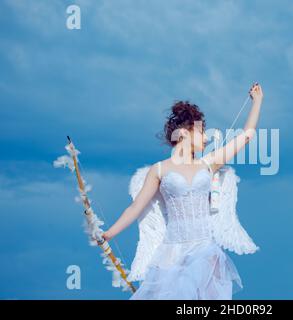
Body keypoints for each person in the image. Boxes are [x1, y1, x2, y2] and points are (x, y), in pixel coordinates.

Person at [102, 82, 263, 299]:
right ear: (185, 133)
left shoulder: (208, 163)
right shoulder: (159, 169)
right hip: (172, 254)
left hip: (205, 252)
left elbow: (247, 135)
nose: (206, 138)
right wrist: (108, 234)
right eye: (202, 132)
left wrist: (257, 101)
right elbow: (135, 207)